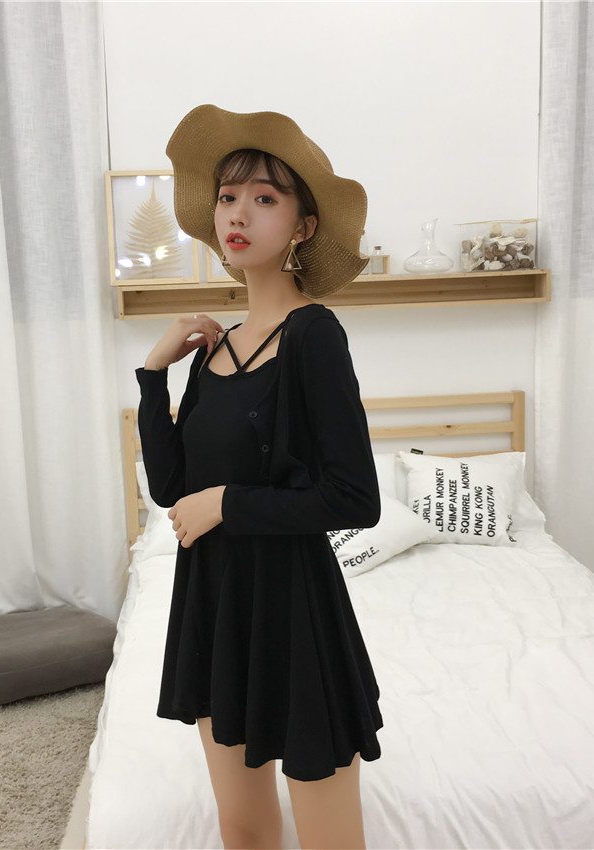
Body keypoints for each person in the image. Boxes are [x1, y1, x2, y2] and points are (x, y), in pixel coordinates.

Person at [136, 104, 383, 850]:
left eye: (264, 198)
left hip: (291, 605)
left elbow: (355, 498)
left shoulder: (314, 336)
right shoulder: (213, 350)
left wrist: (228, 504)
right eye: (227, 197)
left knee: (329, 836)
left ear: (303, 226)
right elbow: (171, 489)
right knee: (243, 829)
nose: (238, 213)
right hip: (214, 606)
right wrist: (154, 375)